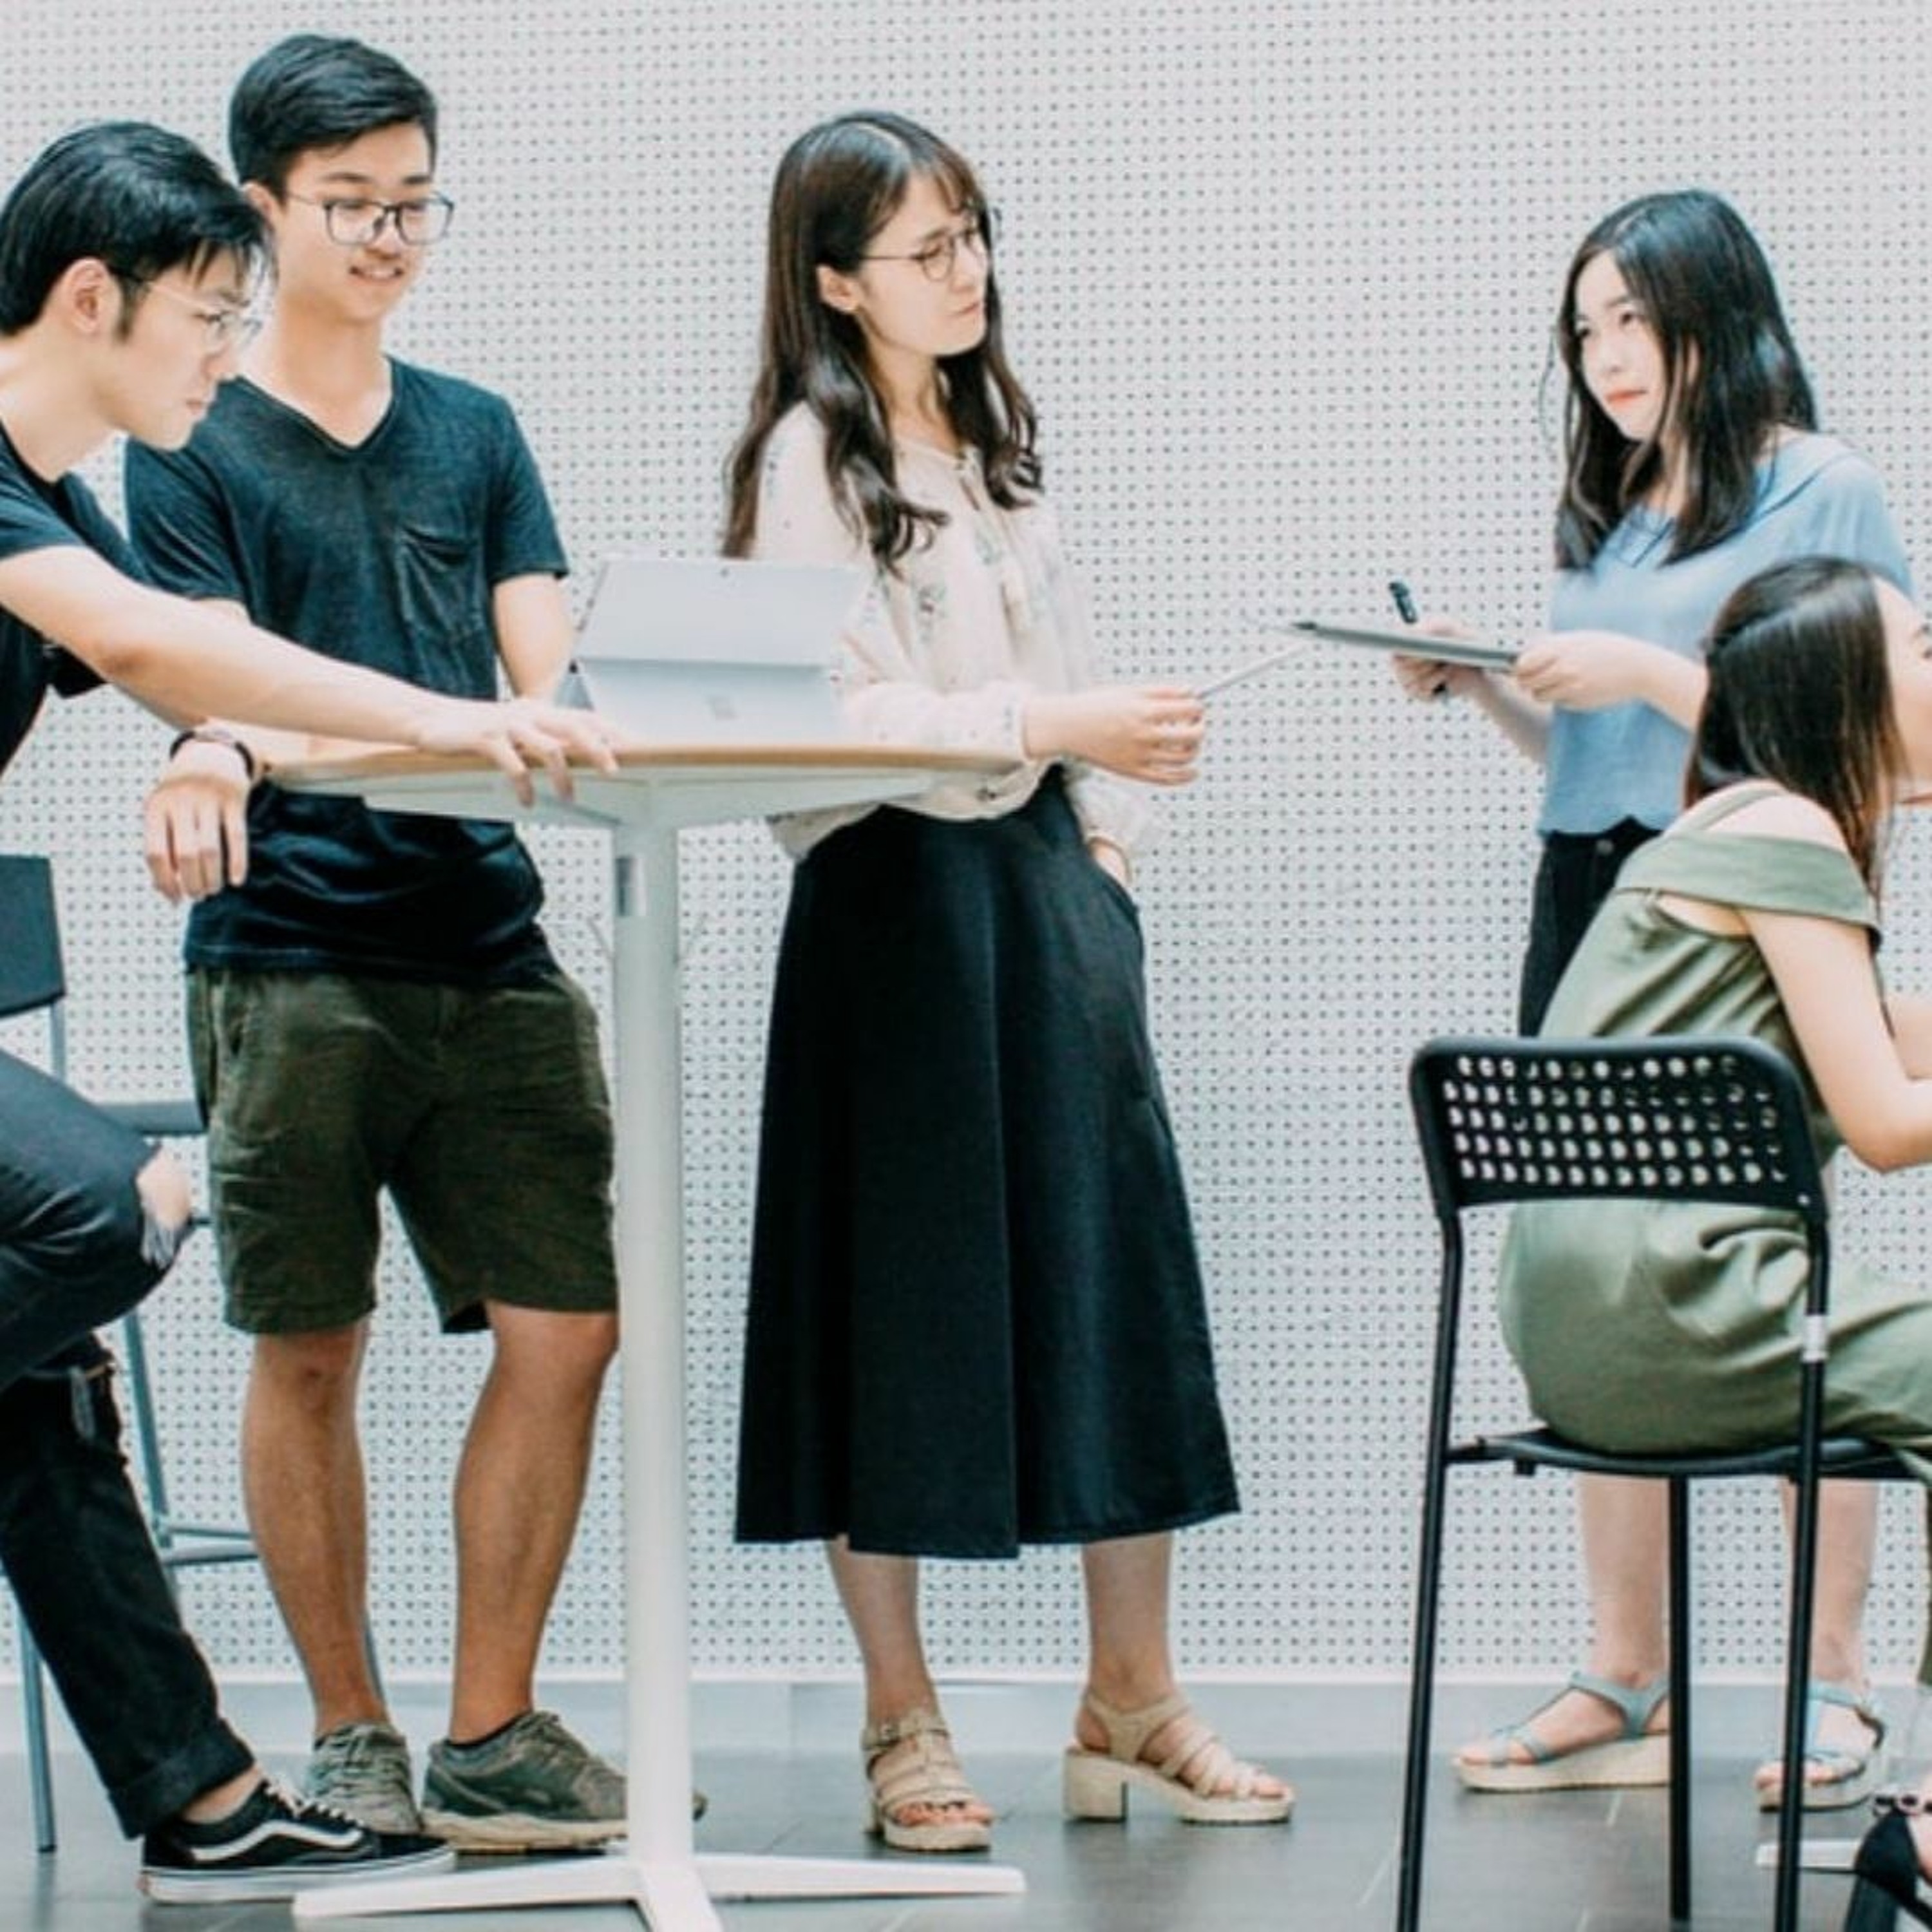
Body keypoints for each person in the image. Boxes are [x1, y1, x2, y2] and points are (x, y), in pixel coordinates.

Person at [0, 117, 621, 1902]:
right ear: (95, 299)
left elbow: (188, 674)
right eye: (209, 314)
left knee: (33, 1381)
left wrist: (218, 743)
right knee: (109, 1207)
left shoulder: (59, 501)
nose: (225, 352)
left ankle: (200, 1799)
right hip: (296, 952)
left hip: (467, 940)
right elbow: (162, 647)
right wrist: (441, 716)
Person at [721, 110, 1289, 1854]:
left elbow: (1077, 675)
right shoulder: (808, 461)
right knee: (891, 1299)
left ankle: (1135, 1699)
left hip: (1042, 886)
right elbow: (824, 719)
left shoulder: (991, 439)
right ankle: (902, 1718)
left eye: (974, 235)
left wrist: (1101, 854)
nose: (966, 272)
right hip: (894, 905)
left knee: (1112, 1279)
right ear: (836, 282)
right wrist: (1053, 727)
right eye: (927, 248)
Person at [1396, 189, 1911, 1808]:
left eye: (1634, 318)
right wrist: (1490, 684)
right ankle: (1629, 1672)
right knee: (1607, 1249)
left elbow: (1847, 724)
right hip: (1601, 888)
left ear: (1717, 315)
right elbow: (1592, 758)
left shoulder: (1824, 488)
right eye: (1585, 328)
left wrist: (1638, 670)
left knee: (1779, 1262)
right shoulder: (1610, 516)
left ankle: (1829, 1683)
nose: (1607, 356)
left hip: (1759, 886)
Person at [1472, 554, 1932, 1929]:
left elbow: (1874, 1033)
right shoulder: (1789, 833)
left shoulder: (1721, 828)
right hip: (1683, 1304)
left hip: (1584, 1325)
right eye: (1922, 647)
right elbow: (1884, 1121)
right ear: (1847, 694)